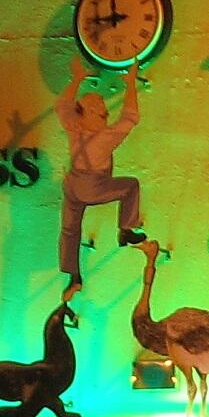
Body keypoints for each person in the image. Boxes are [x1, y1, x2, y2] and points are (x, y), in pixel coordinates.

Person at [55, 56, 147, 300]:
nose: (105, 109)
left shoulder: (74, 128)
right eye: (100, 105)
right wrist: (130, 85)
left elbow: (63, 105)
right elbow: (130, 117)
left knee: (70, 230)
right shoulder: (104, 137)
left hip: (71, 185)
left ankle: (73, 277)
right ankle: (126, 229)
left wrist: (76, 79)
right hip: (91, 185)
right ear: (94, 112)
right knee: (130, 186)